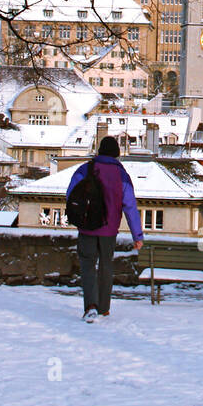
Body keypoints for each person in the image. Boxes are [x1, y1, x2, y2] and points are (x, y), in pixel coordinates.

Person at [66, 136, 143, 322]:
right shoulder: (122, 175)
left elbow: (71, 194)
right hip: (109, 229)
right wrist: (137, 235)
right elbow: (130, 206)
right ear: (117, 153)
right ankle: (104, 307)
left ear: (99, 151)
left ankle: (90, 305)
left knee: (88, 265)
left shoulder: (85, 169)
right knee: (106, 266)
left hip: (87, 227)